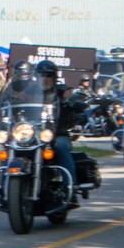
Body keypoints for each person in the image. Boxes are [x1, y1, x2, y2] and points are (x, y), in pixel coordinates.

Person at [33, 60, 80, 201]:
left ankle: (70, 187)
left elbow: (73, 101)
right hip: (31, 134)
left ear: (54, 77)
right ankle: (6, 188)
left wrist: (70, 102)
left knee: (62, 146)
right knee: (11, 146)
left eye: (48, 75)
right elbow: (13, 101)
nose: (45, 78)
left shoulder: (62, 91)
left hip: (56, 133)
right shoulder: (29, 92)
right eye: (42, 75)